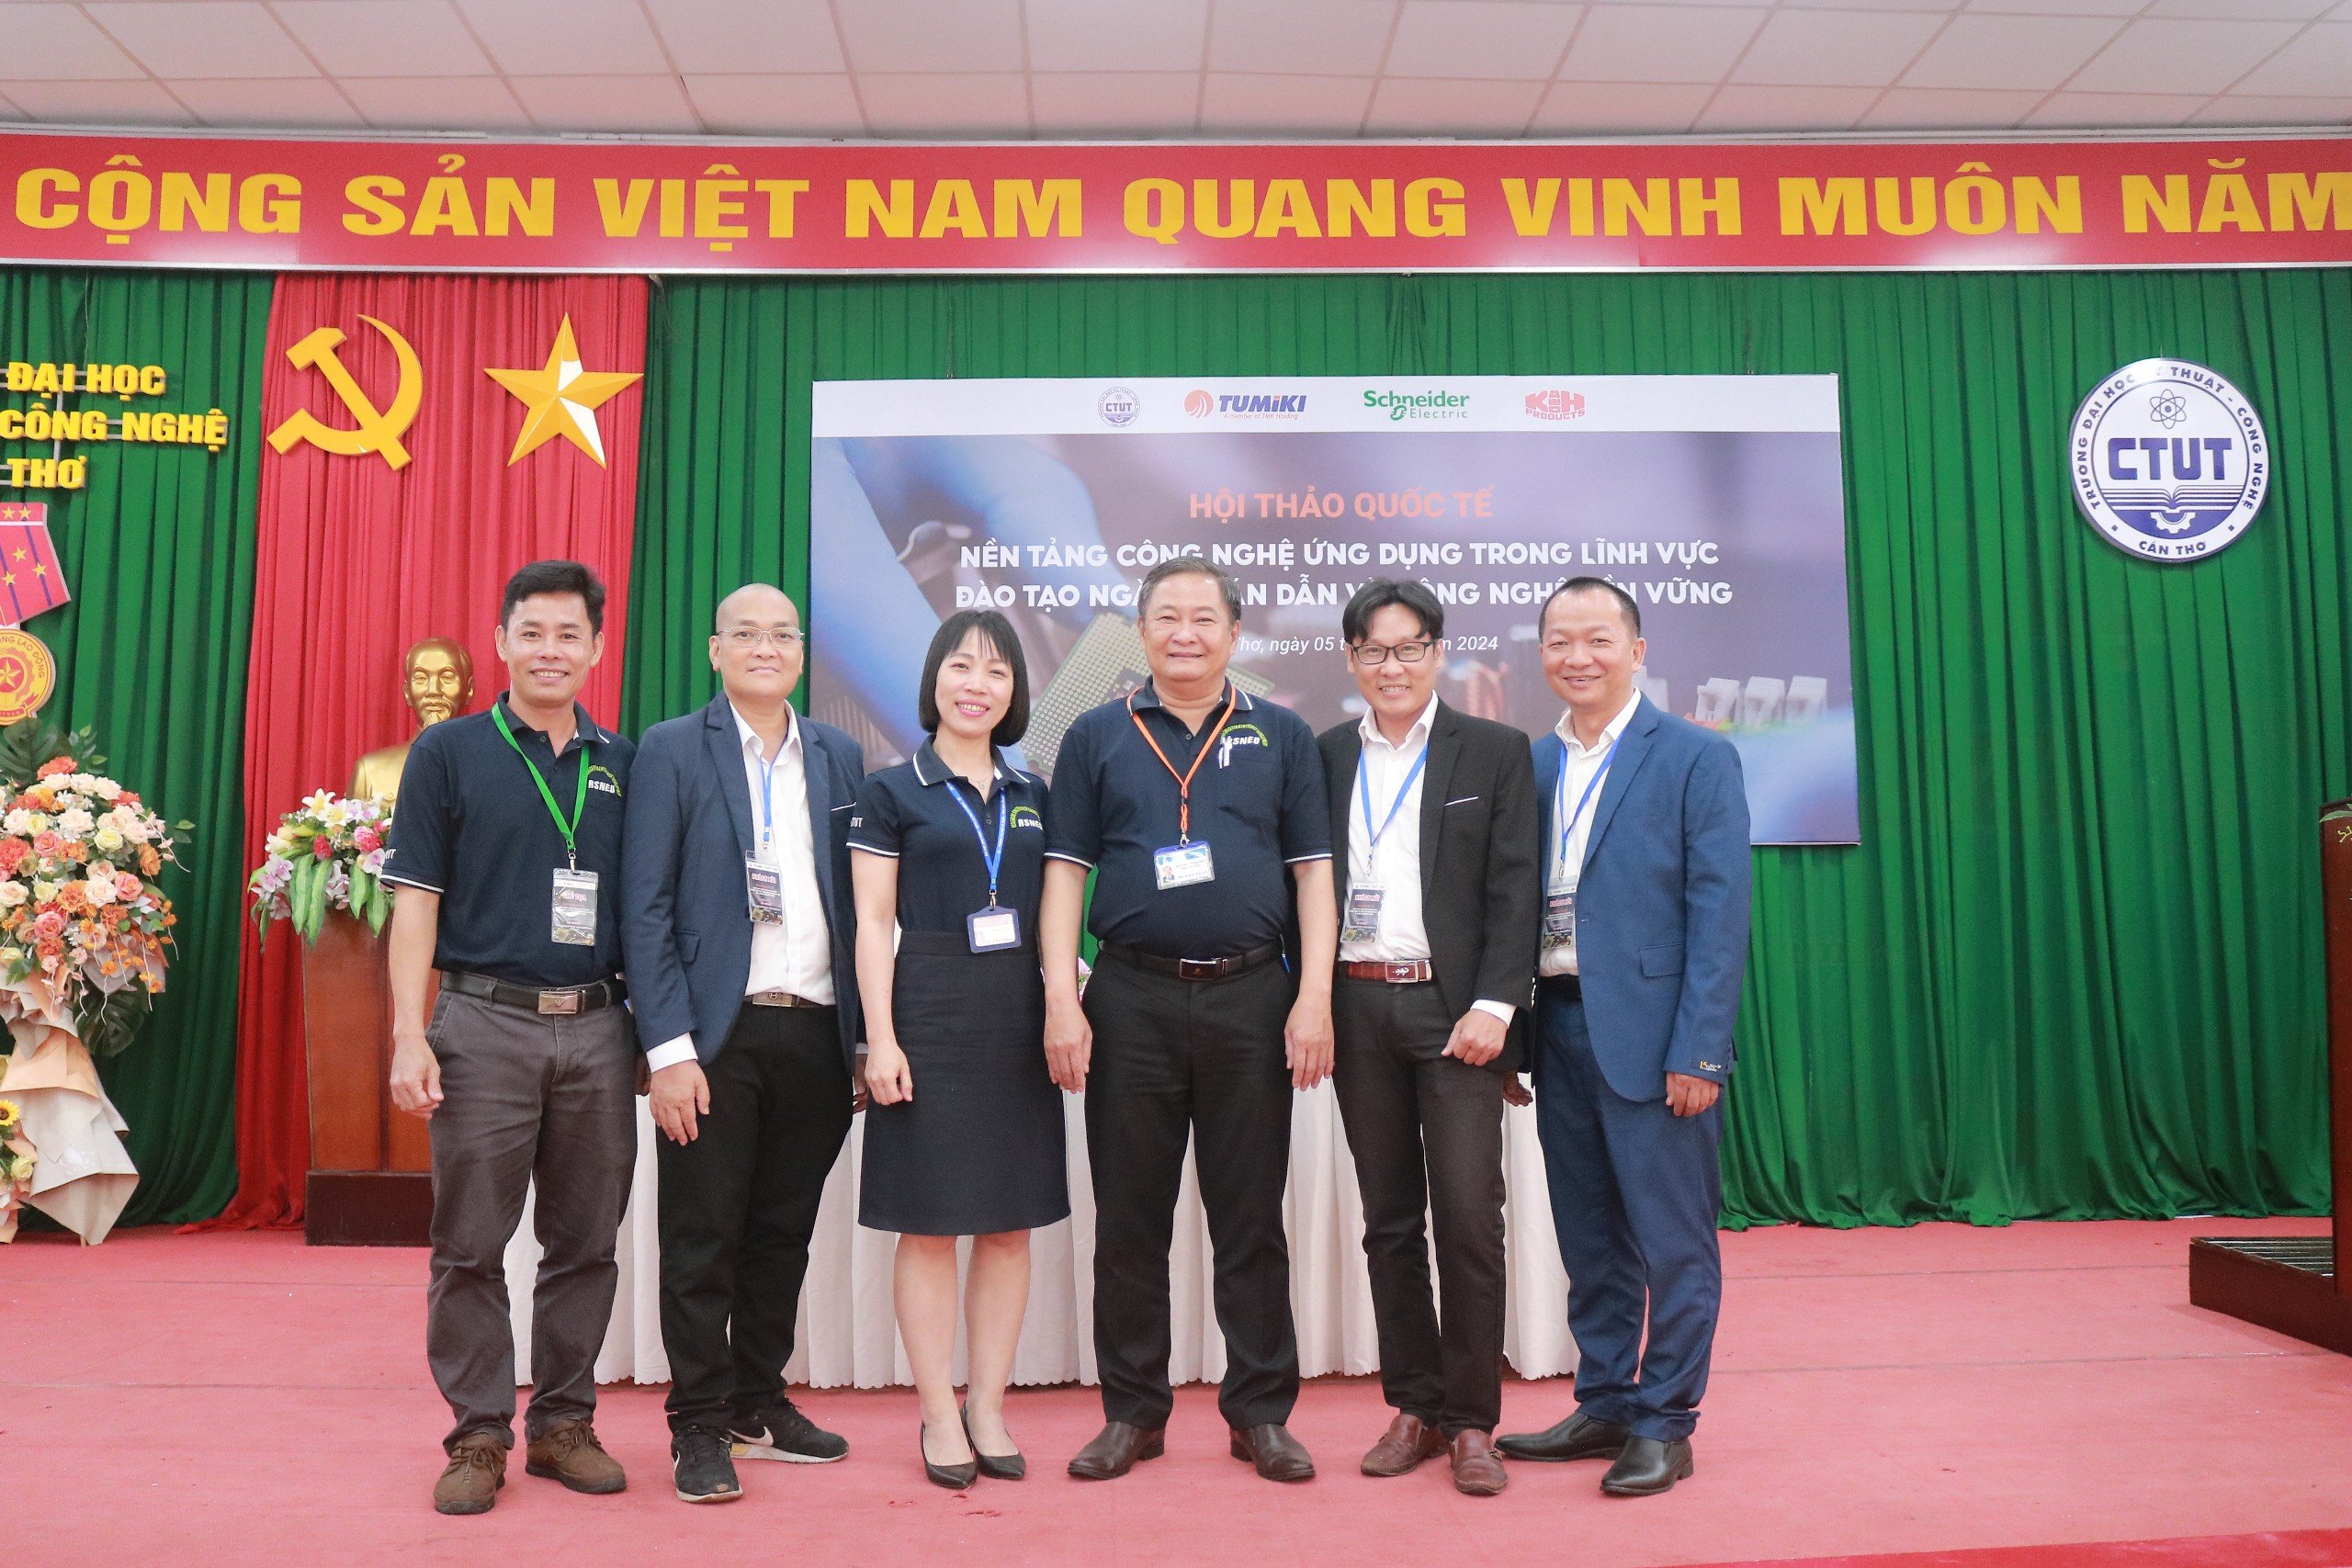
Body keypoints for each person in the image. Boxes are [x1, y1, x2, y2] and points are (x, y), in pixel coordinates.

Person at [1041, 556, 1338, 1484]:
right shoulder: (1094, 734)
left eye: (1203, 617)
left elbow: (1313, 875)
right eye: (1166, 616)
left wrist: (1314, 995)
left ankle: (1261, 1414)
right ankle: (1132, 1413)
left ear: (1233, 633)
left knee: (1250, 1219)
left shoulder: (1281, 733)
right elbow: (1064, 874)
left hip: (1253, 997)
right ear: (1140, 631)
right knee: (1130, 1219)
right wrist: (1060, 998)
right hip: (1129, 997)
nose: (1184, 632)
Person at [383, 559, 637, 1517]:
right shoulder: (447, 752)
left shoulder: (622, 763)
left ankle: (565, 1424)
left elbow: (646, 912)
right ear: (501, 642)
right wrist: (409, 1035)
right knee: (470, 1244)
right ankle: (479, 1433)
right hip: (482, 1024)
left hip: (599, 1029)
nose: (549, 651)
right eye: (532, 632)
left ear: (597, 647)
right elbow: (415, 903)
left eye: (569, 634)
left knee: (587, 1243)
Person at [1497, 576, 1752, 1497]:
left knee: (1672, 1241)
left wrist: (1700, 1050)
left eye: (1598, 639)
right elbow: (1509, 907)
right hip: (1560, 1027)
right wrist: (1514, 1038)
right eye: (1560, 641)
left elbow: (1719, 915)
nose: (1579, 657)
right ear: (1542, 654)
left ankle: (1666, 1419)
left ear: (1636, 650)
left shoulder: (1695, 756)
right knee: (1590, 1238)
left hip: (1656, 1041)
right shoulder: (1530, 764)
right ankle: (1604, 1401)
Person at [620, 584, 865, 1506]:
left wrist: (863, 1036)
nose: (766, 647)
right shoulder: (673, 748)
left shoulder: (839, 754)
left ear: (801, 652)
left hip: (816, 1028)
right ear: (715, 650)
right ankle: (698, 1422)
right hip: (713, 1038)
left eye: (782, 634)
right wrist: (668, 1049)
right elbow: (644, 907)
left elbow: (863, 903)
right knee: (701, 1238)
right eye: (747, 634)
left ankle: (757, 1402)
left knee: (780, 1235)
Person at [1317, 579, 1539, 1497]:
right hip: (1356, 1006)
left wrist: (1497, 1004)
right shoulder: (1326, 755)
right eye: (1374, 650)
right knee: (1389, 1221)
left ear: (1438, 651)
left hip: (1457, 1017)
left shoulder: (1494, 750)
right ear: (1351, 659)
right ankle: (1413, 1404)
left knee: (1469, 1218)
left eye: (1409, 647)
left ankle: (1473, 1420)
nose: (1392, 666)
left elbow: (1516, 887)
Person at [848, 610, 1068, 1490]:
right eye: (962, 666)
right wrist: (880, 1039)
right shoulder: (890, 790)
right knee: (931, 1223)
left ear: (1016, 690)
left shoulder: (1035, 792)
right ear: (934, 678)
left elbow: (1057, 916)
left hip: (1017, 1015)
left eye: (997, 671)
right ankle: (939, 1409)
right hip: (927, 1008)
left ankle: (989, 1405)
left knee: (1009, 1224)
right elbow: (872, 922)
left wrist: (1064, 1002)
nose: (978, 684)